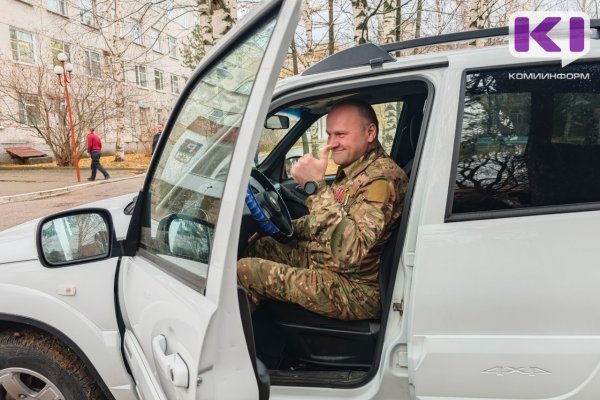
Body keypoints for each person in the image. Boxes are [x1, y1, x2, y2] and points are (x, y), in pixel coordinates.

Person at [237, 99, 408, 321]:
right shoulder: (357, 170)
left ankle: (235, 343)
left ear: (370, 132)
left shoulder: (382, 181)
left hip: (355, 289)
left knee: (245, 270)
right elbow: (326, 221)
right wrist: (283, 230)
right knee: (261, 246)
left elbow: (351, 252)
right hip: (329, 262)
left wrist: (316, 189)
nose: (332, 143)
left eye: (341, 134)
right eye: (329, 134)